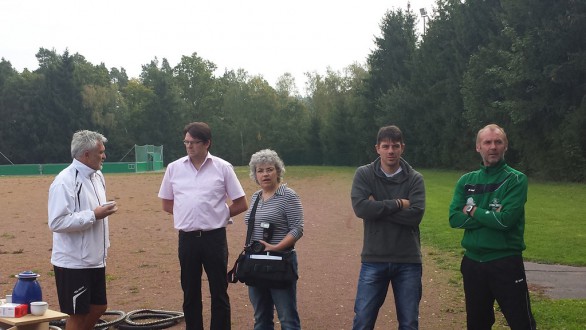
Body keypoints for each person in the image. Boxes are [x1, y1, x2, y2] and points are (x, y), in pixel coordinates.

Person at [158, 122, 248, 330]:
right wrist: (188, 214)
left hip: (214, 238)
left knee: (219, 291)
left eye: (194, 142)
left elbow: (241, 203)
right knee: (190, 292)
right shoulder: (174, 168)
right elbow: (166, 203)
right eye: (186, 142)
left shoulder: (222, 168)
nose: (189, 146)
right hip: (187, 239)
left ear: (207, 143)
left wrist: (217, 214)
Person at [449, 124, 536, 330]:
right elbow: (454, 218)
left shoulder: (516, 179)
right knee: (477, 324)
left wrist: (471, 210)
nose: (493, 147)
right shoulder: (466, 181)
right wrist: (489, 215)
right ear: (478, 147)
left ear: (505, 146)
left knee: (521, 323)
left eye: (498, 142)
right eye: (487, 142)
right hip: (473, 264)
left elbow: (505, 221)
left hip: (505, 263)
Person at [350, 125, 426, 330]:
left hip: (408, 260)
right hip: (374, 258)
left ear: (403, 148)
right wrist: (399, 203)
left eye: (395, 146)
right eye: (386, 146)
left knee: (409, 323)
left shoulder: (415, 178)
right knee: (363, 320)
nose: (390, 151)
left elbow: (415, 216)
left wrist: (377, 207)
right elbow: (361, 209)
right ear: (377, 148)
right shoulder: (364, 174)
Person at [48, 130, 118, 330]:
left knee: (98, 307)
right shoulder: (64, 181)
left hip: (95, 258)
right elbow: (57, 222)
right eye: (100, 152)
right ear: (86, 154)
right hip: (73, 262)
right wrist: (94, 215)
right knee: (78, 315)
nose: (104, 155)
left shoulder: (98, 176)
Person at [244, 149, 304, 330]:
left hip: (280, 262)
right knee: (261, 318)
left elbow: (297, 228)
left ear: (278, 171)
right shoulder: (255, 197)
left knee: (287, 319)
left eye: (269, 169)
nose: (265, 174)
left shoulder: (288, 196)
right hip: (256, 263)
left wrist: (275, 246)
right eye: (260, 170)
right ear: (255, 175)